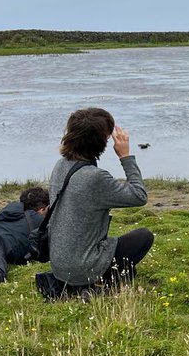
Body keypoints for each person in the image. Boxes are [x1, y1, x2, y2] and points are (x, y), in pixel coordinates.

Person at [38, 107, 153, 298]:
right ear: (103, 140)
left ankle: (84, 283)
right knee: (144, 236)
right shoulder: (94, 177)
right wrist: (125, 157)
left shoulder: (61, 165)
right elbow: (139, 195)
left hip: (59, 265)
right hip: (82, 268)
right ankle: (97, 285)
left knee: (109, 244)